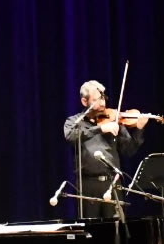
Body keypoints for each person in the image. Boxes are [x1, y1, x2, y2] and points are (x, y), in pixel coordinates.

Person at [63, 79, 149, 219]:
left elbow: (129, 150)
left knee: (115, 227)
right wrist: (100, 128)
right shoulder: (74, 122)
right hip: (88, 185)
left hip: (113, 183)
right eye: (96, 100)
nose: (102, 104)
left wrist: (139, 130)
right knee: (91, 228)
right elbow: (70, 136)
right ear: (84, 102)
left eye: (103, 98)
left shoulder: (114, 120)